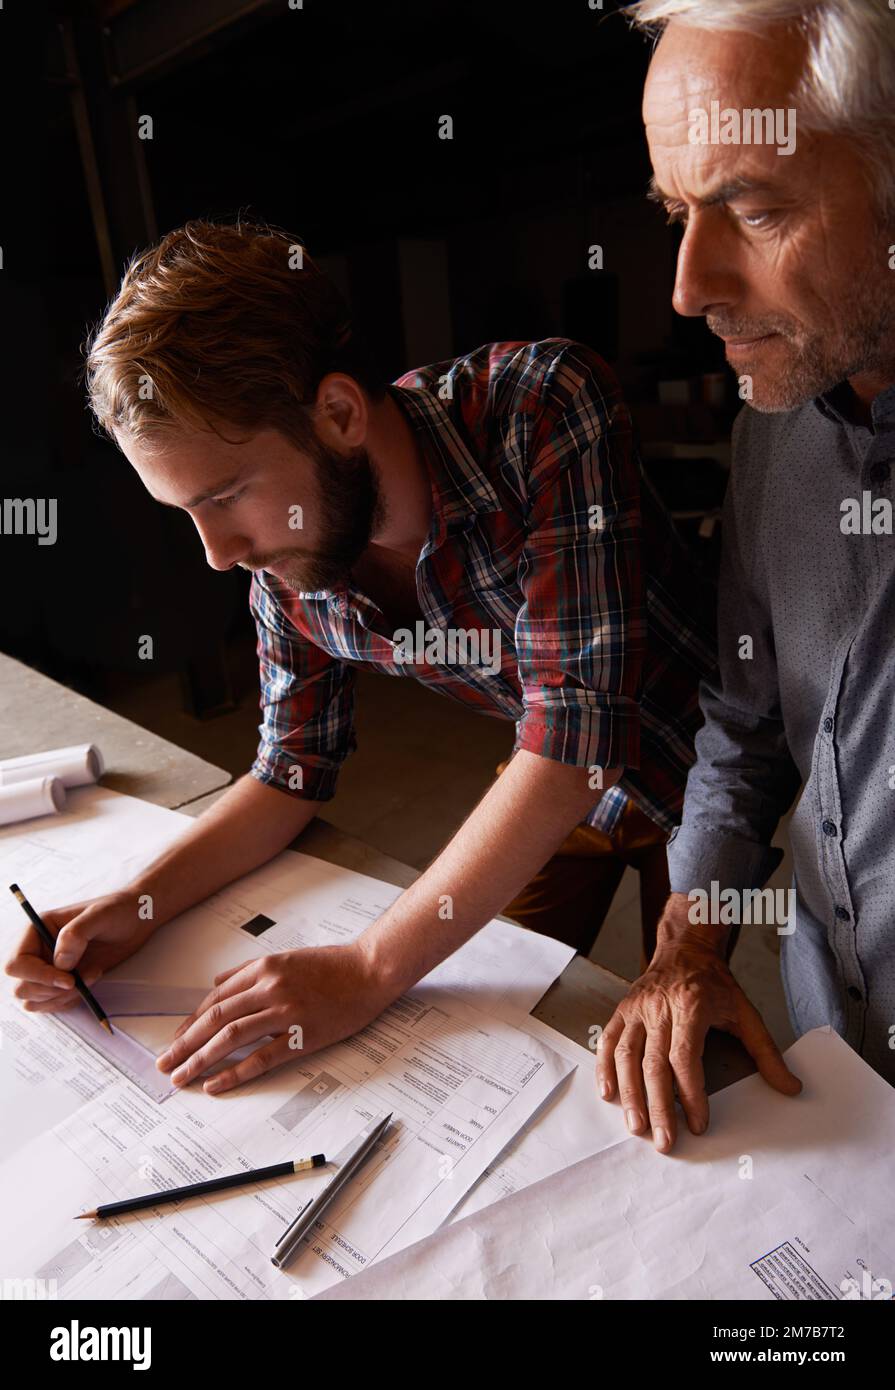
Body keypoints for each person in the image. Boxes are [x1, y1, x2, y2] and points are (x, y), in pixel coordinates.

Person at [5, 218, 715, 1095]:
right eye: (185, 511)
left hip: (705, 771)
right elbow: (288, 770)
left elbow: (573, 737)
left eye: (225, 496)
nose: (216, 553)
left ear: (338, 413)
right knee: (513, 1014)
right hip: (550, 780)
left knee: (684, 1064)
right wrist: (137, 903)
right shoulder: (288, 547)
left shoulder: (541, 404)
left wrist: (370, 965)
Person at [597, 0, 895, 1154]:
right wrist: (688, 941)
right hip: (836, 1055)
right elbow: (747, 720)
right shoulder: (770, 429)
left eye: (754, 208)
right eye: (679, 212)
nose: (684, 285)